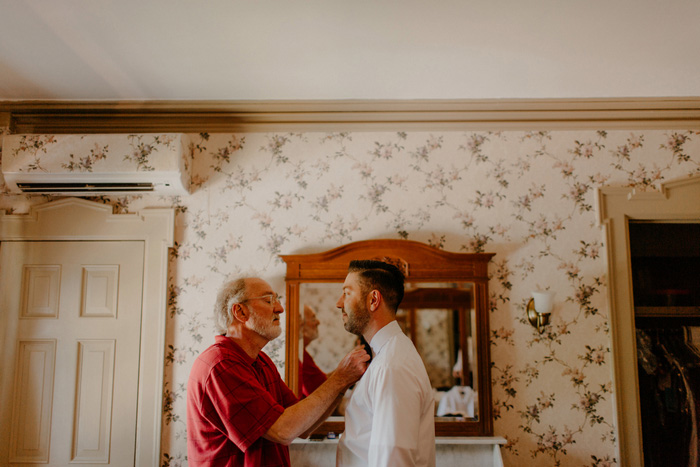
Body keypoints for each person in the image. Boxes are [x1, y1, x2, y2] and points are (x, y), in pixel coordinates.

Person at [187, 277, 370, 467]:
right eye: (269, 300)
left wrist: (344, 383)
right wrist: (340, 378)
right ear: (240, 311)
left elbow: (303, 427)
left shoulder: (262, 361)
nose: (280, 309)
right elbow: (283, 431)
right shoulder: (221, 365)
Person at [335, 260, 436, 467]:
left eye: (347, 293)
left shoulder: (391, 366)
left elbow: (392, 458)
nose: (339, 303)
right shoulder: (387, 357)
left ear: (373, 300)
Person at [300, 304, 328, 396]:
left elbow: (322, 381)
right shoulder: (300, 356)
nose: (318, 322)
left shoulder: (303, 354)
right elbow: (319, 391)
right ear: (301, 325)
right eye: (313, 319)